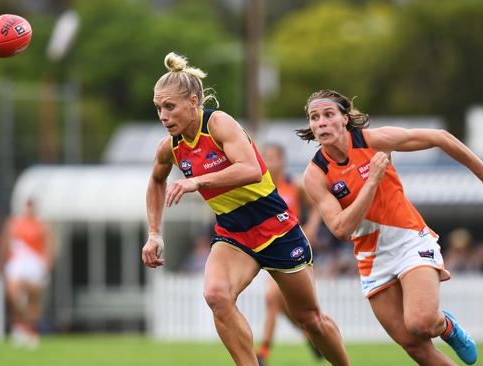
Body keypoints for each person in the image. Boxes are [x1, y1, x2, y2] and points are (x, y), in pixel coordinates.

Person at [141, 53, 350, 366]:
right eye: (159, 108)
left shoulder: (219, 123)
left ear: (193, 101)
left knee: (310, 320)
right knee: (216, 295)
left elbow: (250, 169)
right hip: (234, 233)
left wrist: (197, 181)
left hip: (276, 227)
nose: (163, 115)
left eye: (169, 106)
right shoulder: (170, 147)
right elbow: (156, 182)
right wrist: (154, 233)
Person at [298, 89, 483, 365]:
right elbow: (341, 229)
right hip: (372, 258)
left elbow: (439, 137)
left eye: (328, 115)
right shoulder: (315, 174)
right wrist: (372, 181)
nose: (321, 122)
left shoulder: (374, 140)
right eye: (314, 117)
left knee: (422, 323)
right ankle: (443, 326)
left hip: (409, 240)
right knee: (416, 347)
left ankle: (446, 326)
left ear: (344, 119)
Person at [255, 144, 323, 365]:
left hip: (292, 249)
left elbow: (316, 207)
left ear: (282, 161)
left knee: (273, 299)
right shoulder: (258, 186)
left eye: (273, 157)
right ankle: (311, 337)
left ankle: (263, 353)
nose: (269, 161)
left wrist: (311, 228)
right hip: (268, 250)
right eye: (265, 157)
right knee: (285, 306)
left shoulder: (294, 186)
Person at [0, 198, 54, 348]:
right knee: (13, 293)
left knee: (33, 299)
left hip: (35, 264)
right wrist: (0, 264)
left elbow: (50, 245)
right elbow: (4, 244)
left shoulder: (41, 225)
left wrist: (46, 265)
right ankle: (22, 323)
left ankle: (31, 330)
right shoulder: (13, 223)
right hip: (18, 263)